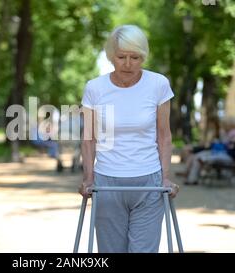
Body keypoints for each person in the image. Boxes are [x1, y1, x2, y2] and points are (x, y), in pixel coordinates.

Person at [79, 25, 179, 253]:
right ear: (111, 55)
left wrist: (165, 178)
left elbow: (164, 136)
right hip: (107, 183)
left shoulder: (158, 84)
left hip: (149, 183)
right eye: (121, 56)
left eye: (135, 57)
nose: (127, 63)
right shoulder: (95, 88)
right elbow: (88, 139)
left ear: (143, 56)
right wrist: (88, 178)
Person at [184, 116, 235, 185]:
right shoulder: (230, 132)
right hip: (222, 153)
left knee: (199, 158)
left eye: (224, 125)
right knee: (198, 156)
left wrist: (227, 142)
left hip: (228, 156)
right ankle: (192, 178)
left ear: (228, 125)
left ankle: (192, 179)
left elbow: (231, 144)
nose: (222, 127)